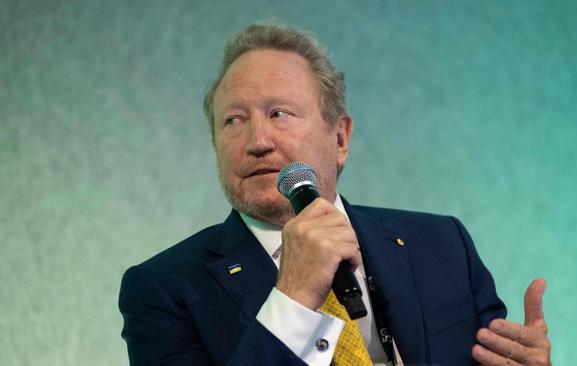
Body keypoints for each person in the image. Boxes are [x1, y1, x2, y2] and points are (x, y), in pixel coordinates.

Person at [118, 22, 552, 365]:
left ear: (340, 138)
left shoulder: (442, 245)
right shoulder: (162, 290)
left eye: (278, 113)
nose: (257, 141)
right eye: (232, 120)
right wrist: (293, 298)